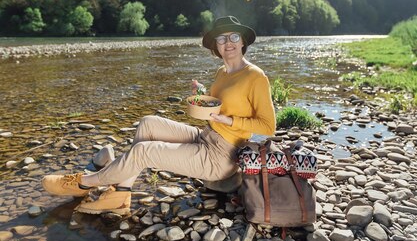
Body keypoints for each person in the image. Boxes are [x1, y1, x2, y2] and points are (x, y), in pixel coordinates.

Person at [42, 16, 276, 215]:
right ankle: (121, 194)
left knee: (143, 151)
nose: (228, 43)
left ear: (243, 41)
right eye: (222, 38)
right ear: (216, 45)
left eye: (234, 37)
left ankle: (83, 182)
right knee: (148, 124)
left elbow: (268, 126)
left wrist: (230, 121)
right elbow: (218, 108)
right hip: (205, 136)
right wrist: (202, 97)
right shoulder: (221, 72)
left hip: (221, 156)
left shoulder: (255, 76)